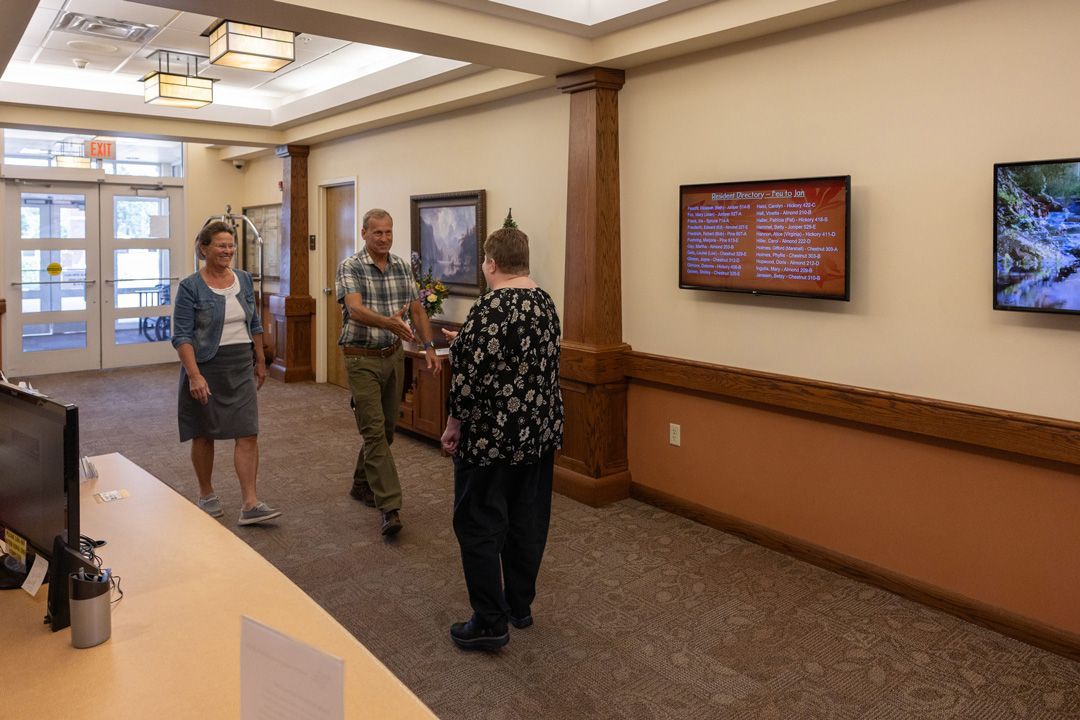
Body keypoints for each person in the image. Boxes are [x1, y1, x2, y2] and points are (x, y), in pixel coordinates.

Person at [440, 224, 564, 651]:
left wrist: (453, 426)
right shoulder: (545, 303)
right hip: (538, 435)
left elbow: (470, 381)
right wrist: (467, 343)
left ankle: (490, 620)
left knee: (477, 523)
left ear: (491, 264)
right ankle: (519, 606)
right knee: (526, 521)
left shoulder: (490, 307)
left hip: (492, 439)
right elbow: (523, 361)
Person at [337, 208, 439, 537]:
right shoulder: (350, 267)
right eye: (377, 233)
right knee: (374, 431)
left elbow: (417, 308)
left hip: (393, 357)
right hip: (361, 358)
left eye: (388, 232)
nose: (384, 238)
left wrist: (428, 346)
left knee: (388, 429)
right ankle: (390, 506)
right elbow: (355, 309)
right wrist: (389, 323)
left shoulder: (401, 266)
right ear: (364, 233)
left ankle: (360, 483)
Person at [172, 221, 281, 526]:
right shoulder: (191, 286)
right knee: (204, 433)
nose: (227, 251)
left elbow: (255, 324)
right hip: (206, 366)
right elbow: (181, 335)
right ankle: (206, 494)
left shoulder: (244, 280)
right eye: (221, 245)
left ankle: (250, 502)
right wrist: (194, 375)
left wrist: (260, 361)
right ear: (203, 248)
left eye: (231, 245)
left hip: (239, 365)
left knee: (248, 432)